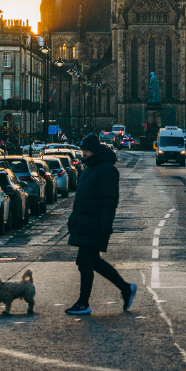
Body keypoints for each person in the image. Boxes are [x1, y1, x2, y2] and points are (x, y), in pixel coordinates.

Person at [64, 132, 137, 316]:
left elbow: (110, 200)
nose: (83, 154)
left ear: (94, 151)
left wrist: (105, 225)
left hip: (95, 224)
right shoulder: (90, 168)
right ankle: (126, 288)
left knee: (84, 261)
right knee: (93, 261)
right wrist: (73, 219)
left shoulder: (106, 169)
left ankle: (83, 303)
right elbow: (81, 198)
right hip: (84, 222)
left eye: (86, 151)